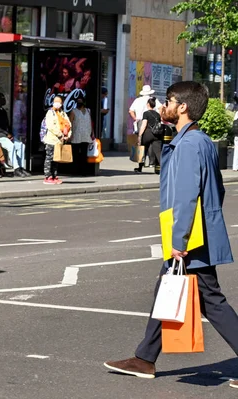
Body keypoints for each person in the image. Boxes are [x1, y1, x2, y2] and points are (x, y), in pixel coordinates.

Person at [104, 81, 237, 389]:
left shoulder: (190, 145)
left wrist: (179, 240)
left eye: (168, 101)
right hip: (196, 234)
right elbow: (217, 187)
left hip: (191, 240)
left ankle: (145, 358)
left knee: (211, 301)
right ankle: (145, 357)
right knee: (168, 289)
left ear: (183, 107)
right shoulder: (195, 141)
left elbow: (187, 195)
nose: (163, 106)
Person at [0, 93, 30, 177]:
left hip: (6, 135)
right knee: (11, 146)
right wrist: (6, 134)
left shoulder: (3, 111)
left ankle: (21, 167)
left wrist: (10, 133)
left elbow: (7, 125)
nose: (4, 100)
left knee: (21, 145)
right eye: (2, 98)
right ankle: (16, 168)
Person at [43, 96, 71, 184]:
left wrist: (67, 135)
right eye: (55, 101)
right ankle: (48, 176)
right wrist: (60, 135)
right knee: (49, 158)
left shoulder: (62, 113)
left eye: (59, 102)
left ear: (62, 103)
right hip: (51, 139)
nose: (57, 103)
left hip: (60, 141)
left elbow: (68, 124)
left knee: (56, 159)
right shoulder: (50, 113)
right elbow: (51, 126)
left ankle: (54, 176)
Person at [134, 97, 163, 174]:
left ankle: (140, 168)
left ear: (148, 104)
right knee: (158, 152)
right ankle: (164, 169)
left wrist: (140, 135)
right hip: (157, 135)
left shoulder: (146, 113)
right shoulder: (157, 114)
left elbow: (144, 125)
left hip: (147, 134)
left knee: (142, 151)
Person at [68, 95, 94, 176]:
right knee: (75, 154)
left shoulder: (88, 111)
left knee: (84, 154)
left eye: (80, 101)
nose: (79, 103)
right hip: (76, 135)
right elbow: (70, 123)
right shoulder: (73, 111)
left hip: (86, 135)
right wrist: (69, 134)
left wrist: (92, 133)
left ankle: (84, 171)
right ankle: (74, 171)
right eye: (78, 101)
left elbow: (90, 122)